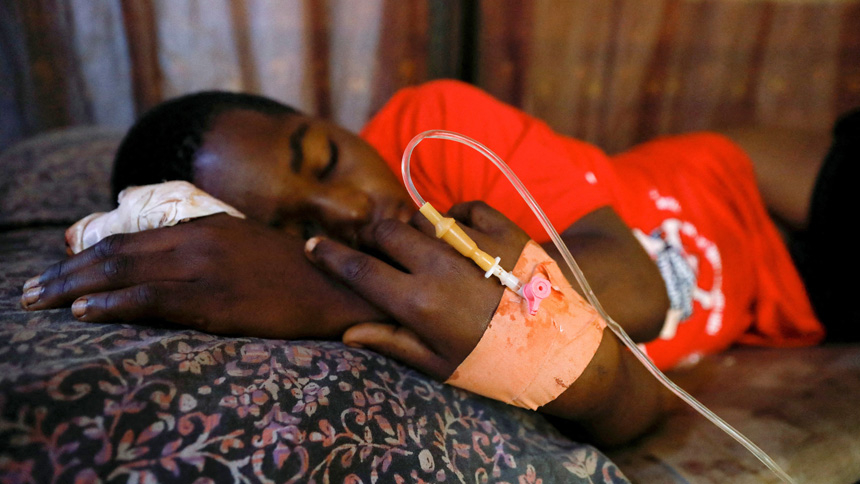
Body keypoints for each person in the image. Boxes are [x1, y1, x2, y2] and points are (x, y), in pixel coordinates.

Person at [19, 80, 854, 445]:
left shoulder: (431, 130)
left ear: (334, 121)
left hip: (746, 184)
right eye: (296, 227)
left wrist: (312, 284)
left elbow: (633, 284)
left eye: (325, 159)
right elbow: (627, 407)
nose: (351, 210)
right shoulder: (382, 328)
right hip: (789, 303)